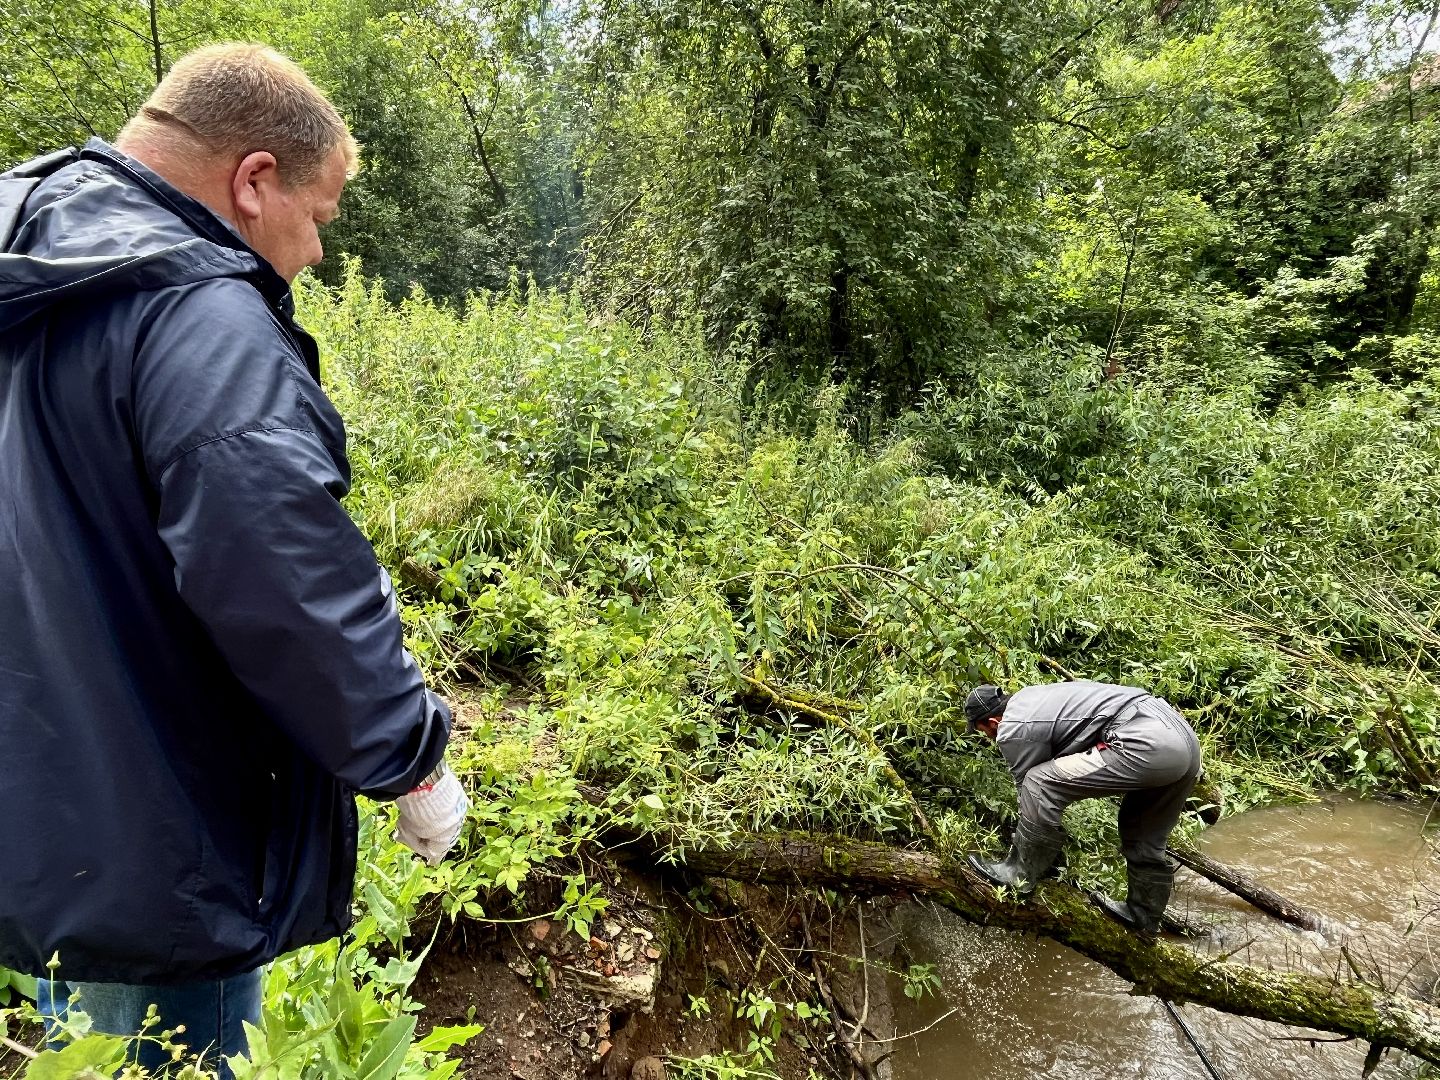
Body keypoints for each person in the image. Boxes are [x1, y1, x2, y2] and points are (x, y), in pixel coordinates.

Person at [0, 44, 470, 1076]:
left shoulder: (27, 250)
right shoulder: (198, 318)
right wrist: (413, 760)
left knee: (83, 1050)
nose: (318, 251)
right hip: (160, 836)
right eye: (320, 215)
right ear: (254, 180)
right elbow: (287, 584)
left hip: (41, 813)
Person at [963, 680, 1202, 935]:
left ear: (993, 722)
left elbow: (1031, 789)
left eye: (984, 732)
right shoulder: (1031, 698)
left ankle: (1018, 875)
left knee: (1037, 783)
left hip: (1145, 740)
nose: (989, 738)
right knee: (1140, 826)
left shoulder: (1012, 726)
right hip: (1182, 738)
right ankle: (1142, 916)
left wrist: (1026, 848)